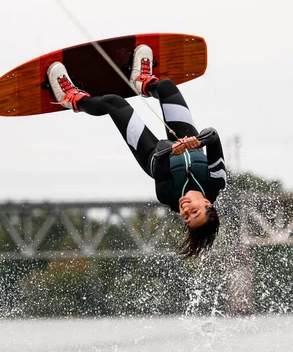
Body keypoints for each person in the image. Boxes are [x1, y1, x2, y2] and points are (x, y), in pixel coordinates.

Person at [46, 45, 227, 258]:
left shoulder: (167, 196)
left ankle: (72, 99)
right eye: (194, 212)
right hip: (184, 138)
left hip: (149, 152)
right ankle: (141, 81)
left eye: (186, 218)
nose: (186, 211)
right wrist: (197, 141)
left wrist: (175, 149)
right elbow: (213, 136)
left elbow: (160, 156)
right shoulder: (216, 181)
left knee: (114, 102)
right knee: (167, 87)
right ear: (207, 203)